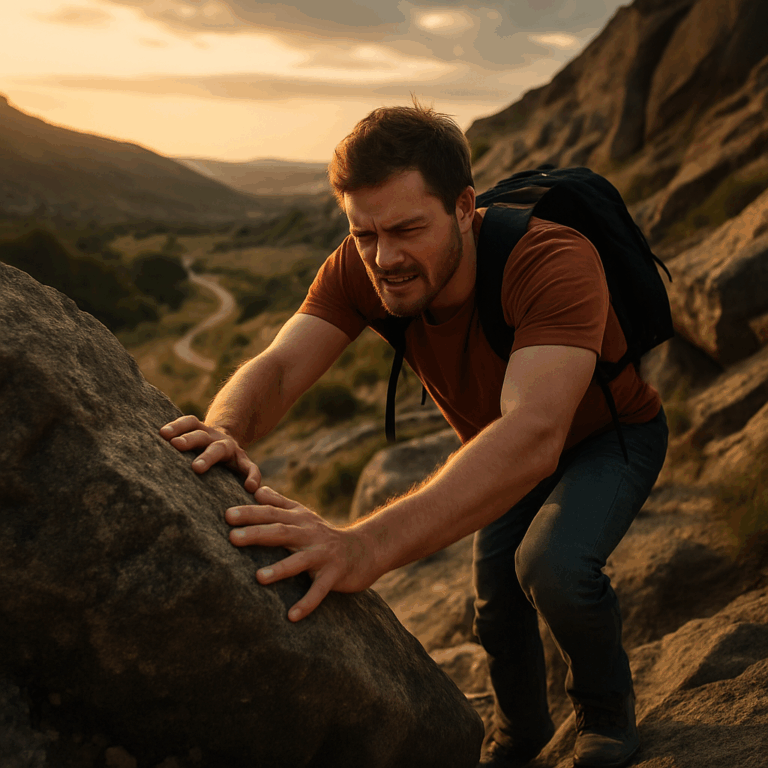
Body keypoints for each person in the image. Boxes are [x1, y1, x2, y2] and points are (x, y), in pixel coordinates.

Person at [160, 103, 668, 768]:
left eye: (407, 229)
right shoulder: (360, 265)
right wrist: (225, 429)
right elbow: (281, 367)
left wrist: (364, 546)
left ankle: (605, 715)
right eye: (364, 233)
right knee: (495, 605)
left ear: (464, 207)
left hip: (608, 438)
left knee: (552, 566)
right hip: (501, 446)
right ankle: (520, 737)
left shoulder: (550, 259)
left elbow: (534, 432)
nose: (385, 257)